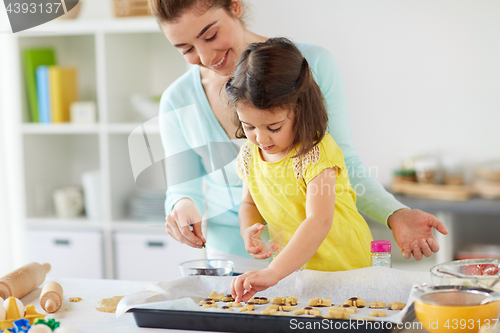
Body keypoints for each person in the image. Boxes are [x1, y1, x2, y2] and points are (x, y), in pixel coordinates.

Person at [151, 0, 448, 273]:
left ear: (234, 7)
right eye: (185, 49)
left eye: (210, 35)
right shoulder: (177, 100)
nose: (205, 56)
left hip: (319, 254)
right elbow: (182, 187)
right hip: (235, 255)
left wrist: (393, 213)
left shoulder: (311, 66)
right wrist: (182, 206)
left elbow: (342, 163)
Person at [228, 37, 375, 300]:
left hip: (345, 267)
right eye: (249, 126)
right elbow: (249, 205)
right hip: (296, 271)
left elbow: (319, 221)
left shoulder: (316, 152)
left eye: (273, 127)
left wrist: (273, 272)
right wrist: (249, 231)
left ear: (300, 109)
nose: (261, 138)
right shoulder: (250, 154)